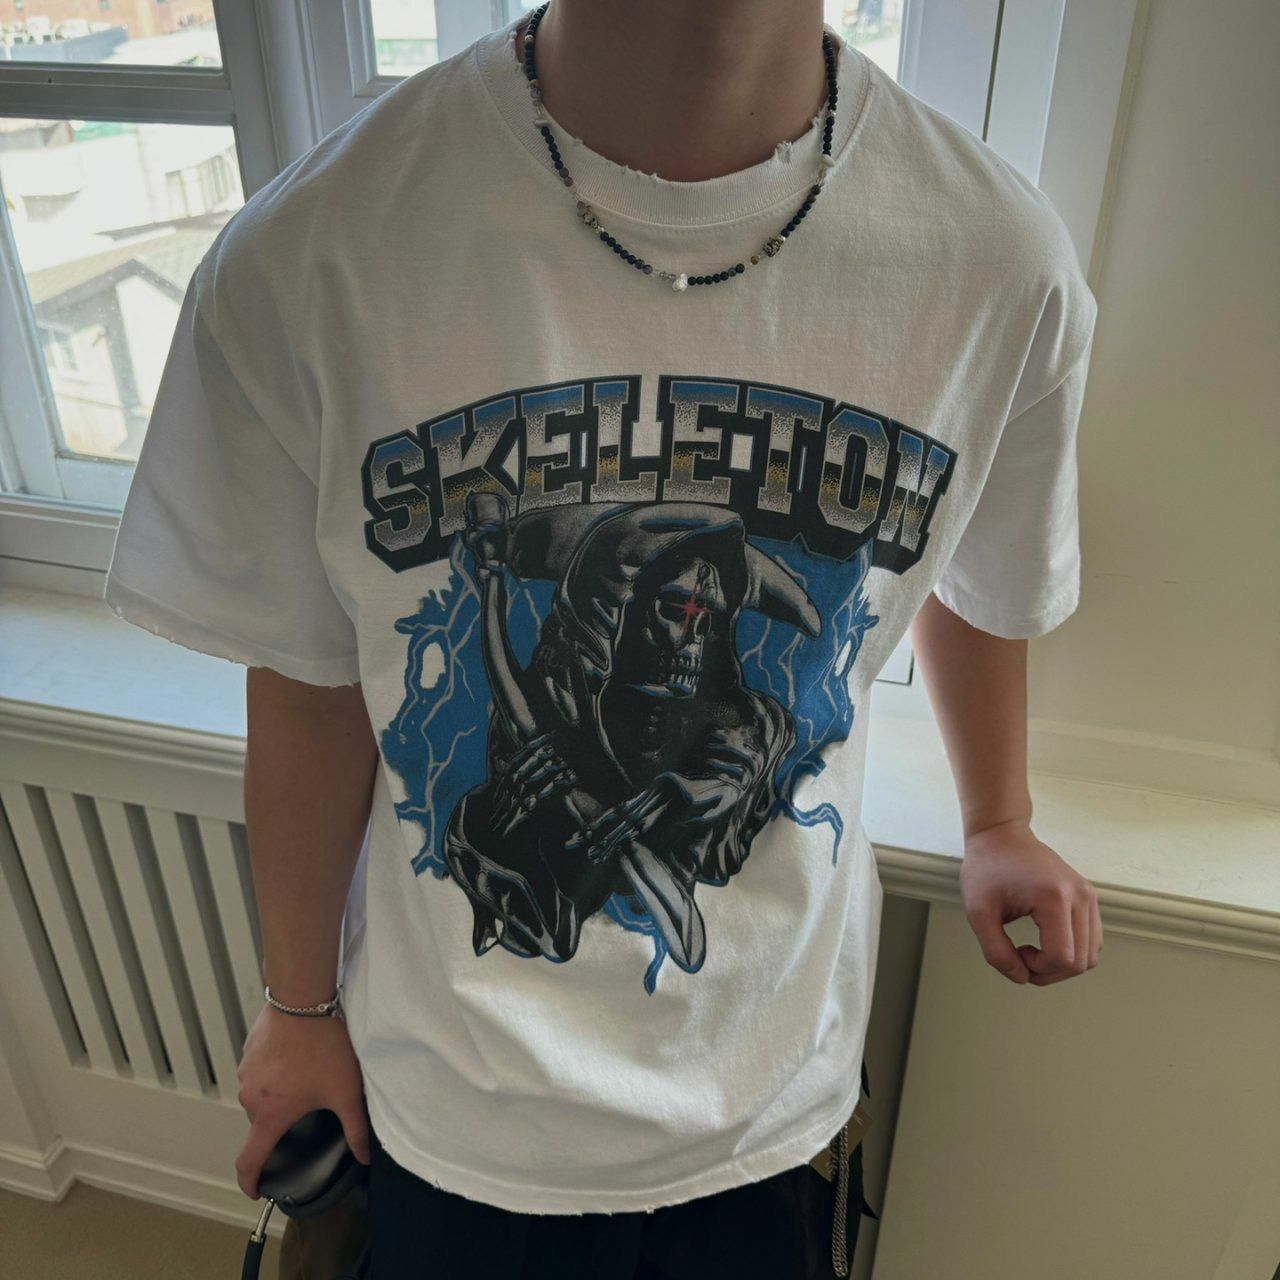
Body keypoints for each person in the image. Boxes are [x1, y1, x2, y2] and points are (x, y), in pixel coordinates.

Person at [102, 1, 1103, 1275]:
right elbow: (307, 679)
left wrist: (997, 816)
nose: (684, 627)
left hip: (769, 1092)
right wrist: (297, 1004)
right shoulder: (312, 253)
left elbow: (962, 546)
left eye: (701, 607)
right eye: (660, 606)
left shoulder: (997, 262)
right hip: (455, 1103)